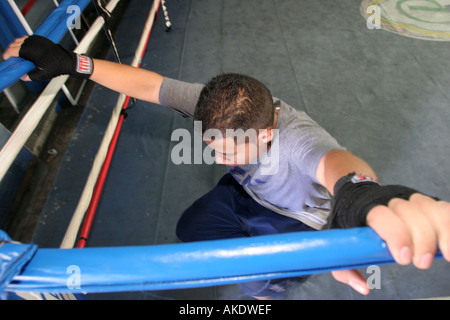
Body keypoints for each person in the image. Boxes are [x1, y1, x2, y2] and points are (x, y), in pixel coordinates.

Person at [4, 35, 450, 299]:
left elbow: (339, 165)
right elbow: (148, 84)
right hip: (248, 195)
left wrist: (363, 195)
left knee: (255, 288)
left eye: (234, 150)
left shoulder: (297, 140)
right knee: (189, 227)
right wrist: (73, 63)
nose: (220, 157)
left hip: (296, 219)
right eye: (214, 148)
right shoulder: (218, 105)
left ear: (269, 130)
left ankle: (274, 287)